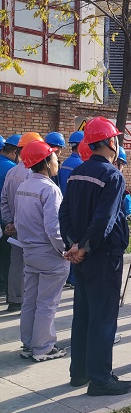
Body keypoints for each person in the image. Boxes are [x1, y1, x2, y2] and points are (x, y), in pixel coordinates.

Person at [58, 116, 131, 396]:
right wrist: (84, 247)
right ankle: (100, 379)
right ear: (111, 142)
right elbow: (105, 219)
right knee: (103, 317)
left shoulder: (77, 173)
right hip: (103, 256)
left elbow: (64, 214)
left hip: (82, 256)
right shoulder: (113, 175)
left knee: (83, 315)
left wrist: (73, 245)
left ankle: (79, 373)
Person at [15, 140, 70, 361]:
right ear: (46, 162)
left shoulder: (24, 186)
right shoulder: (50, 189)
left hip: (29, 250)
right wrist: (64, 250)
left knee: (31, 300)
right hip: (49, 253)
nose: (57, 160)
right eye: (54, 157)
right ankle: (43, 347)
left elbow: (19, 221)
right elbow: (54, 228)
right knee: (47, 302)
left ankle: (29, 344)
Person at [1, 132, 44, 312]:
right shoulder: (32, 173)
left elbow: (4, 200)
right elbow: (28, 204)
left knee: (16, 262)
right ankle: (26, 300)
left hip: (15, 227)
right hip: (30, 227)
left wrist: (9, 222)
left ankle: (14, 299)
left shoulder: (12, 172)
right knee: (30, 265)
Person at [58, 131, 85, 289]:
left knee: (69, 242)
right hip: (76, 208)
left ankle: (69, 277)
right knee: (77, 242)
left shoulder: (65, 163)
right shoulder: (80, 165)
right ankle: (74, 279)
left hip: (65, 206)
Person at [0, 134, 20, 300]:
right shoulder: (12, 169)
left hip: (5, 219)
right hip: (8, 222)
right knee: (8, 257)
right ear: (15, 152)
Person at [116, 147, 131, 218]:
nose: (123, 167)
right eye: (122, 164)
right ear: (116, 163)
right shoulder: (118, 179)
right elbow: (129, 209)